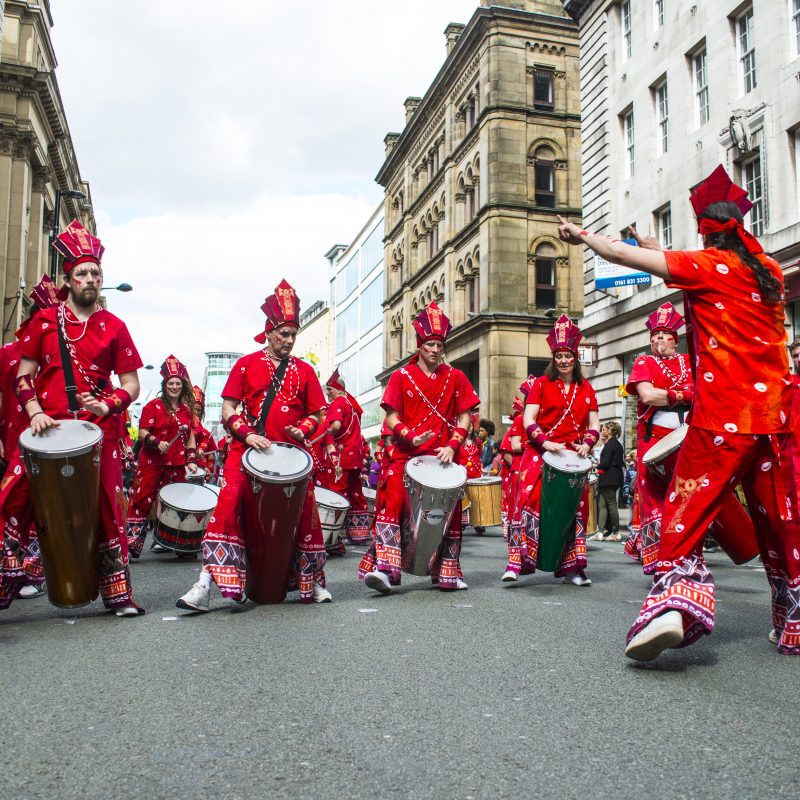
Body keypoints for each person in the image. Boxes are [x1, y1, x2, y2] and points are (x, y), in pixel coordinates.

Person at [557, 164, 800, 659]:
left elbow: (625, 256)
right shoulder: (769, 271)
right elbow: (661, 252)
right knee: (782, 522)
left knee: (684, 516)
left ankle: (674, 608)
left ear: (705, 232)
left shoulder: (708, 267)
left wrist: (580, 234)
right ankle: (792, 622)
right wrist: (649, 238)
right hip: (777, 418)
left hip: (723, 418)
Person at [12, 220, 143, 616]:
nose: (90, 278)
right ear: (67, 280)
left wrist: (109, 405)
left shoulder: (115, 327)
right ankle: (7, 582)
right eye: (82, 273)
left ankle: (117, 595)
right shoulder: (44, 321)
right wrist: (34, 411)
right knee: (13, 498)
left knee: (105, 504)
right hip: (46, 429)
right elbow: (23, 376)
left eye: (95, 274)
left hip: (98, 430)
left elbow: (132, 384)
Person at [177, 279, 330, 610]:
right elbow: (228, 408)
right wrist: (247, 434)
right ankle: (204, 585)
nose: (289, 340)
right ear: (270, 331)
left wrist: (305, 427)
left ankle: (312, 581)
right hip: (245, 453)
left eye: (293, 334)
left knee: (304, 515)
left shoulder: (305, 371)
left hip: (292, 458)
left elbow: (320, 412)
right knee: (228, 510)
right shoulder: (246, 364)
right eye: (283, 334)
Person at [358, 301, 480, 594]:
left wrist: (453, 444)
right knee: (394, 505)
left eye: (439, 344)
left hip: (442, 459)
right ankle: (387, 571)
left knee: (447, 516)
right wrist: (409, 436)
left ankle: (447, 572)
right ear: (420, 345)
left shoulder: (456, 377)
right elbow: (391, 416)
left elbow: (465, 416)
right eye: (430, 344)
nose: (435, 350)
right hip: (406, 456)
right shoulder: (401, 376)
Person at [503, 316, 600, 585]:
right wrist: (545, 442)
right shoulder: (541, 385)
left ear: (575, 358)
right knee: (528, 503)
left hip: (573, 455)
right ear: (554, 358)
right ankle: (516, 562)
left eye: (568, 356)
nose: (564, 361)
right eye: (559, 356)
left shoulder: (587, 388)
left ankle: (571, 568)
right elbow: (528, 419)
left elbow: (594, 425)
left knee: (576, 508)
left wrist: (587, 444)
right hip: (541, 451)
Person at [0, 275, 63, 607]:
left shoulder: (68, 353)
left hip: (54, 443)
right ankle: (11, 571)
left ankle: (34, 573)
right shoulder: (10, 353)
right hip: (17, 442)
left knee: (47, 507)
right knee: (11, 504)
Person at [622, 302, 694, 571]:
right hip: (654, 440)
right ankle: (656, 559)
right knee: (653, 495)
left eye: (663, 336)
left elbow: (704, 394)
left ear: (675, 340)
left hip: (686, 437)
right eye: (654, 337)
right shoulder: (645, 361)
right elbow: (647, 395)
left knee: (686, 495)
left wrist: (671, 397)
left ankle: (683, 554)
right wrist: (684, 396)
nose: (658, 341)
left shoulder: (688, 362)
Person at [126, 356, 199, 557]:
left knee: (178, 504)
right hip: (152, 463)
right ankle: (131, 545)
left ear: (182, 385)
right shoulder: (153, 405)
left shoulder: (186, 410)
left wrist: (191, 460)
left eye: (177, 383)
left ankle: (177, 544)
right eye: (170, 383)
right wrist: (157, 442)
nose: (174, 386)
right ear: (164, 385)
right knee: (142, 501)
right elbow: (142, 432)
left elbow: (190, 436)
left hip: (176, 464)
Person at [314, 368, 370, 551]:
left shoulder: (338, 402)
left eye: (329, 389)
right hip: (354, 456)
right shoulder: (352, 404)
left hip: (340, 456)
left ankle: (333, 539)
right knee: (355, 493)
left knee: (336, 495)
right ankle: (359, 534)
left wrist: (325, 430)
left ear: (338, 388)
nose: (327, 393)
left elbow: (336, 425)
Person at [595, 421, 624, 541]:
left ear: (610, 431)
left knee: (611, 505)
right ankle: (600, 532)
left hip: (609, 477)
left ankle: (616, 532)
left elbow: (605, 463)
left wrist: (596, 465)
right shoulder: (617, 444)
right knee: (602, 505)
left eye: (604, 429)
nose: (602, 431)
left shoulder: (610, 445)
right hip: (612, 477)